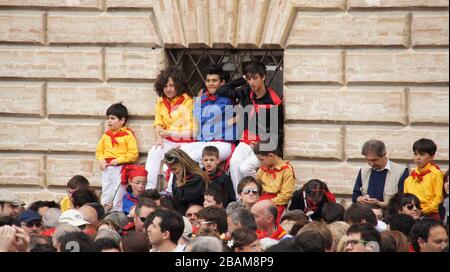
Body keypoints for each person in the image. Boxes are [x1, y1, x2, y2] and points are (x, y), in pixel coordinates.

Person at [217, 61, 284, 193]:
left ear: (263, 77)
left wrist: (262, 144)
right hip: (245, 140)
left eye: (255, 78)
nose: (252, 82)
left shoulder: (273, 101)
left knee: (245, 168)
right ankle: (240, 199)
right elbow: (221, 91)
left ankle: (259, 192)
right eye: (249, 79)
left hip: (262, 145)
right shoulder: (246, 91)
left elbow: (278, 132)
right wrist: (241, 79)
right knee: (234, 164)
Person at [145, 67, 196, 190]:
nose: (168, 89)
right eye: (165, 86)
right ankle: (150, 189)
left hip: (185, 143)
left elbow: (192, 132)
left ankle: (169, 193)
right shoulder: (160, 102)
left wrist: (169, 132)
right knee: (154, 152)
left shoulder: (189, 102)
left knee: (170, 163)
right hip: (167, 141)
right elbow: (158, 123)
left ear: (178, 86)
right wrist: (159, 139)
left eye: (172, 85)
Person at [180, 65, 236, 163]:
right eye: (208, 80)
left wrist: (197, 102)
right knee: (178, 153)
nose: (210, 84)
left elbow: (201, 118)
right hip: (205, 142)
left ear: (222, 82)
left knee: (193, 157)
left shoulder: (225, 100)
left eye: (214, 80)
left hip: (222, 142)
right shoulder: (204, 98)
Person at [96, 102, 138, 212]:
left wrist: (118, 161)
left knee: (118, 192)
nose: (109, 121)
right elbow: (99, 150)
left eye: (113, 118)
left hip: (121, 168)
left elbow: (133, 154)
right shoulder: (106, 135)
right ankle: (104, 212)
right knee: (106, 190)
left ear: (122, 120)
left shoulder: (128, 135)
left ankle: (117, 213)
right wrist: (101, 160)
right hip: (107, 168)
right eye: (108, 118)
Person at [352, 140, 409, 208]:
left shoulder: (401, 171)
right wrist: (361, 199)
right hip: (367, 214)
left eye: (374, 160)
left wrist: (379, 203)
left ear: (384, 155)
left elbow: (403, 201)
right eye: (368, 160)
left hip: (390, 215)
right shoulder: (364, 170)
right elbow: (355, 195)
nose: (371, 164)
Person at [254, 142, 296, 223]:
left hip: (278, 203)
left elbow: (285, 196)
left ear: (271, 155)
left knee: (268, 221)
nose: (260, 162)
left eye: (262, 159)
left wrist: (269, 203)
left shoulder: (286, 170)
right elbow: (257, 187)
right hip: (262, 200)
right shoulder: (261, 170)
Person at [404, 138, 444, 220]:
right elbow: (405, 198)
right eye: (415, 154)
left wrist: (423, 211)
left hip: (430, 215)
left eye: (422, 154)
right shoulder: (410, 177)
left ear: (432, 156)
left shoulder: (436, 174)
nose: (418, 158)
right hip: (412, 214)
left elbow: (438, 198)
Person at [164, 148, 209, 215]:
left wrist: (179, 181)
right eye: (171, 169)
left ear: (183, 164)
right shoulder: (177, 174)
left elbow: (182, 198)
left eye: (174, 169)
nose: (173, 172)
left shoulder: (197, 178)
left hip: (195, 214)